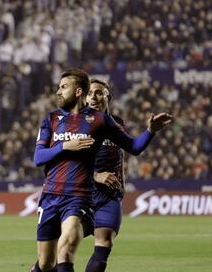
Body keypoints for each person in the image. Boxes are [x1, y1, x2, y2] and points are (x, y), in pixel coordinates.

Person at [30, 69, 172, 272]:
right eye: (59, 87)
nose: (58, 92)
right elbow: (38, 158)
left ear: (78, 91)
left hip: (80, 196)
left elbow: (133, 147)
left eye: (63, 87)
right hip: (51, 195)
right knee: (45, 263)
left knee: (69, 246)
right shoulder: (51, 119)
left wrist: (151, 131)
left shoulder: (101, 121)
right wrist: (65, 146)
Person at [84, 79, 126, 272]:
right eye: (90, 93)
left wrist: (122, 181)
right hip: (82, 194)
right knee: (60, 248)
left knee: (104, 244)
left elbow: (121, 152)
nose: (94, 97)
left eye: (99, 93)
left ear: (108, 98)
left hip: (109, 197)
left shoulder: (118, 123)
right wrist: (97, 175)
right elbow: (67, 163)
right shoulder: (77, 125)